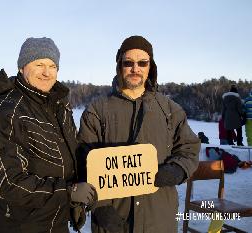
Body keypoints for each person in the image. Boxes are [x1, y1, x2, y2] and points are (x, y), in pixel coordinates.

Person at [77, 36, 200, 233]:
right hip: (113, 219)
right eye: (128, 63)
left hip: (159, 218)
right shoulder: (97, 110)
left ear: (151, 66)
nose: (136, 69)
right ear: (119, 66)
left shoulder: (170, 109)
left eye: (142, 63)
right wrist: (99, 207)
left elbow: (190, 149)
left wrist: (177, 169)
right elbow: (83, 161)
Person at [0, 37, 96, 233]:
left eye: (52, 65)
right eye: (39, 64)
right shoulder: (6, 111)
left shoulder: (58, 105)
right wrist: (69, 192)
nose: (46, 72)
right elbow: (8, 182)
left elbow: (71, 153)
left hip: (57, 219)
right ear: (22, 67)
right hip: (23, 224)